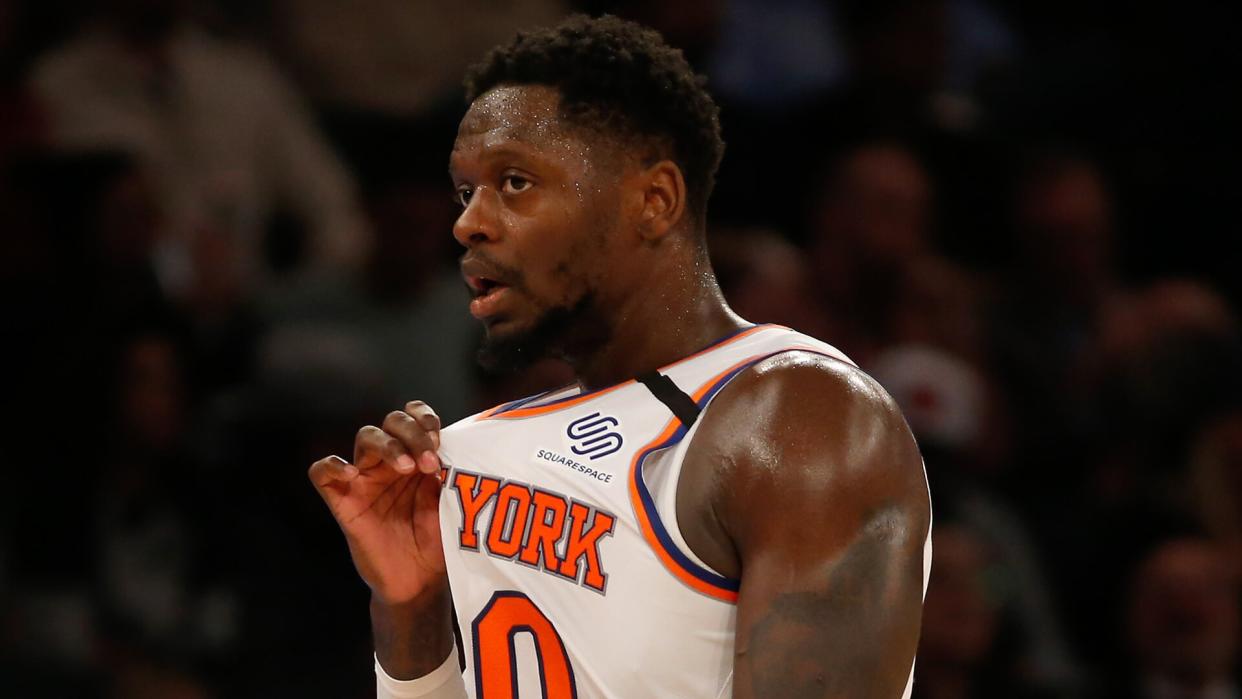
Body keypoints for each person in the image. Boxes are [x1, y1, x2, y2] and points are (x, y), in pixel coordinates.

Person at [309, 15, 932, 699]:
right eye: (466, 192)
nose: (468, 222)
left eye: (514, 182)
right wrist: (414, 613)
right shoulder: (470, 452)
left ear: (654, 200)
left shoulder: (800, 420)